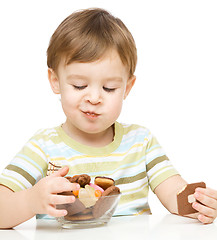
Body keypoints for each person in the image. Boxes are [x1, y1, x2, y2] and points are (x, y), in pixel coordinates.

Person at [0, 8, 216, 229]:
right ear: (55, 80)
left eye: (109, 88)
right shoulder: (42, 147)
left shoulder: (141, 142)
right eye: (79, 85)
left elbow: (174, 193)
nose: (94, 98)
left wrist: (198, 203)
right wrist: (30, 201)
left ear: (127, 87)